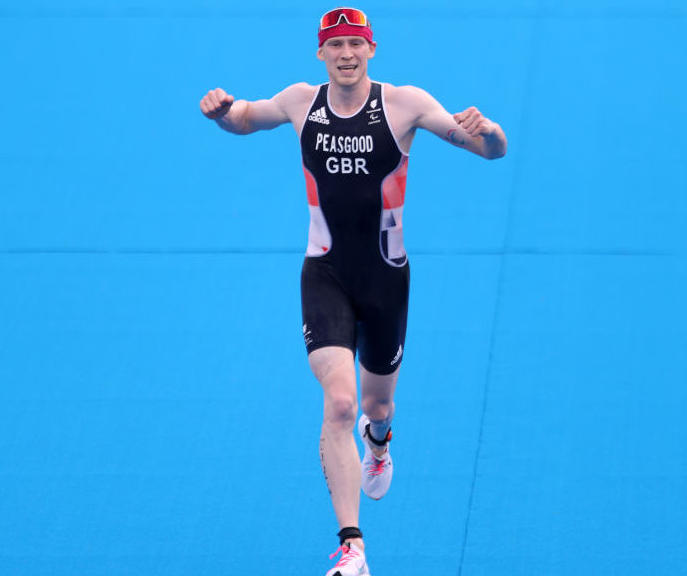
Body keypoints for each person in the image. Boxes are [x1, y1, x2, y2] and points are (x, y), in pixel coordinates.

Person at [199, 7, 507, 575]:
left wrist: (488, 132)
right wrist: (221, 113)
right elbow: (246, 117)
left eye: (355, 45)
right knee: (339, 402)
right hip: (326, 273)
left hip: (386, 278)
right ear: (321, 52)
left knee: (375, 404)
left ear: (372, 50)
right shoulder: (300, 102)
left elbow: (489, 150)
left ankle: (381, 442)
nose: (345, 54)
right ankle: (352, 547)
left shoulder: (404, 105)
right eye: (335, 44)